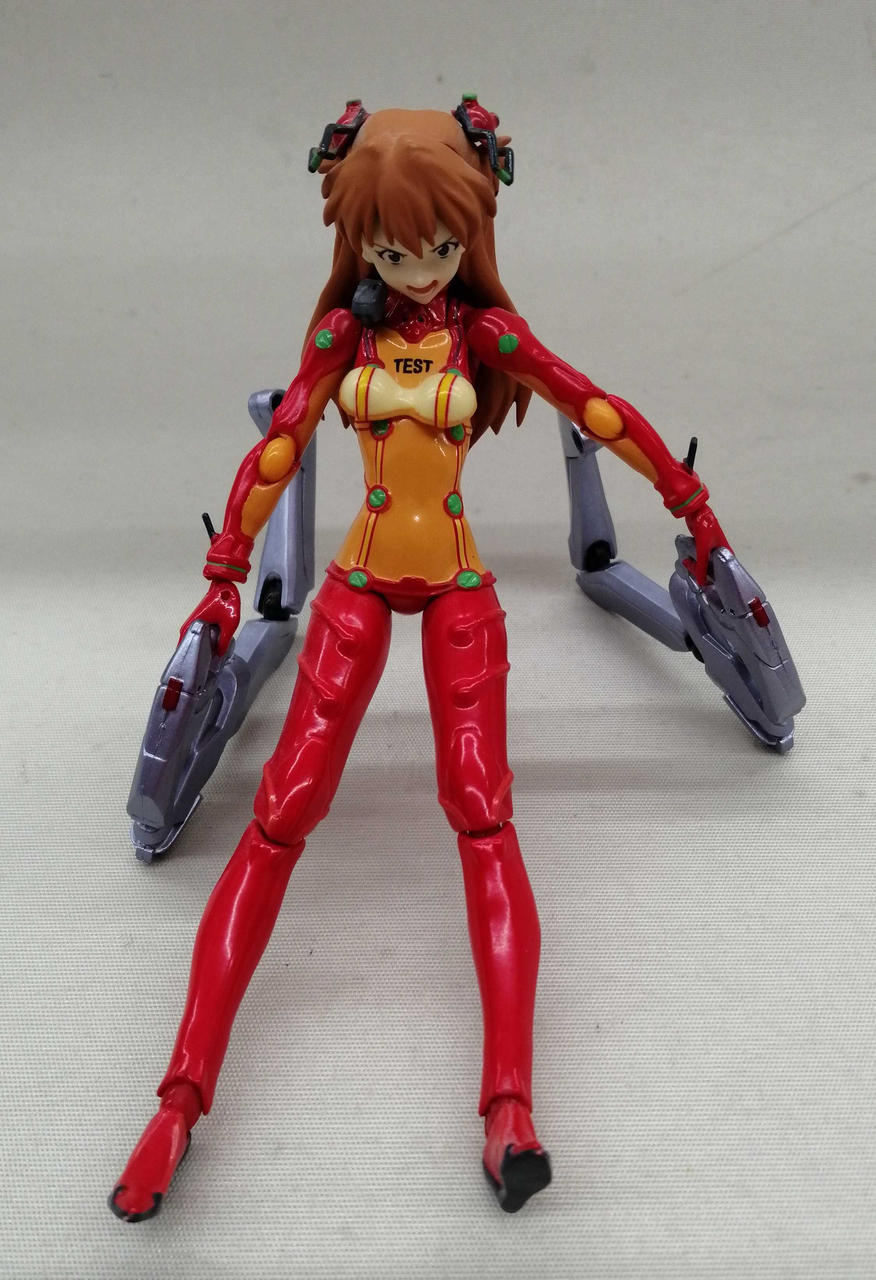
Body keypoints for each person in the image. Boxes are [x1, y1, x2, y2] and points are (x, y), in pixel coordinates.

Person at [110, 98, 729, 1220]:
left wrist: (686, 496)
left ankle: (511, 1106)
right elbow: (282, 444)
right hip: (355, 582)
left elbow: (590, 405)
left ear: (472, 230)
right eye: (392, 249)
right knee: (280, 814)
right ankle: (180, 1096)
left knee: (484, 817)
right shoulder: (340, 339)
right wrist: (224, 569)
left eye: (440, 244)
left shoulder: (485, 335)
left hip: (455, 585)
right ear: (360, 241)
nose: (419, 266)